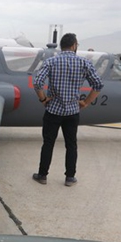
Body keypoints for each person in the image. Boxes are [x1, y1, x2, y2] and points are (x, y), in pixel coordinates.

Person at [31, 33, 103, 187]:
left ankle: (42, 175)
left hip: (53, 111)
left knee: (48, 143)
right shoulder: (84, 63)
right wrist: (86, 102)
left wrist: (43, 99)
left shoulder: (51, 61)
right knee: (71, 145)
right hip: (72, 111)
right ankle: (70, 177)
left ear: (62, 45)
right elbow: (98, 84)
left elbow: (37, 82)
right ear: (74, 45)